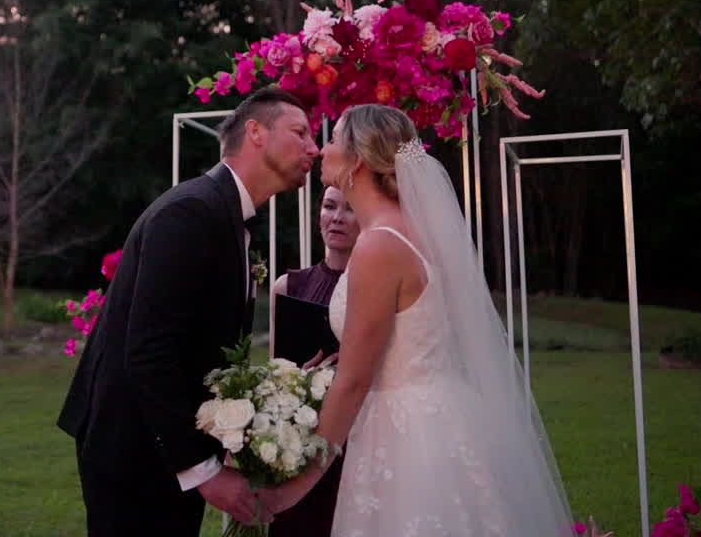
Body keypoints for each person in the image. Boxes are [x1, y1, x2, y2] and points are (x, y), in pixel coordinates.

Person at [261, 104, 573, 536]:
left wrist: (298, 485)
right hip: (434, 414)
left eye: (332, 139)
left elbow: (354, 380)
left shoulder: (379, 246)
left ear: (357, 159)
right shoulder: (407, 231)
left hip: (407, 437)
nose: (321, 149)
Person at [57, 86, 320, 537]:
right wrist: (203, 470)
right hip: (133, 448)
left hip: (164, 444)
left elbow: (199, 349)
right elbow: (149, 351)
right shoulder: (189, 214)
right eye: (300, 132)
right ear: (254, 132)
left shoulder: (227, 219)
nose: (313, 148)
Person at [267, 185, 357, 537]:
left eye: (349, 209)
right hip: (301, 439)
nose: (336, 217)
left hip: (358, 438)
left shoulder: (377, 290)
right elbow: (275, 377)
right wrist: (301, 380)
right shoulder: (287, 286)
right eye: (329, 206)